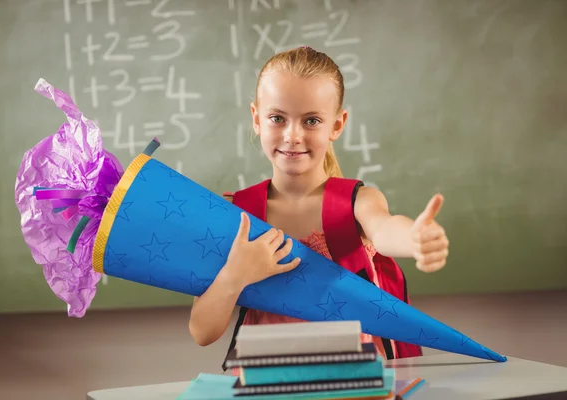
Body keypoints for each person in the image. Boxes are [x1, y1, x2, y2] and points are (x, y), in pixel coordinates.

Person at [188, 46, 449, 372]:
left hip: (354, 383)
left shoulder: (356, 201)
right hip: (266, 384)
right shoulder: (238, 216)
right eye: (276, 118)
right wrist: (235, 275)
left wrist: (415, 238)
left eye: (311, 120)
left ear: (337, 125)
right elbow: (202, 331)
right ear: (256, 119)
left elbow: (384, 228)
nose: (292, 135)